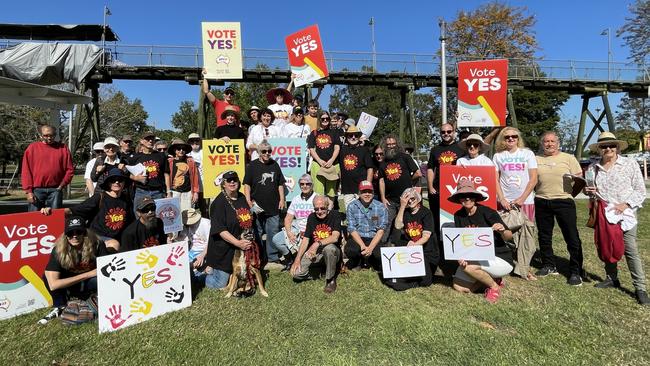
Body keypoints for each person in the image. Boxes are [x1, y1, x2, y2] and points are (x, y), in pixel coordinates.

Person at [585, 132, 649, 305]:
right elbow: (590, 191)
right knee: (607, 244)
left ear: (617, 147)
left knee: (630, 248)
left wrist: (625, 205)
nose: (608, 149)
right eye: (604, 146)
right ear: (599, 149)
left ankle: (640, 288)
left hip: (625, 213)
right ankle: (612, 278)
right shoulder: (592, 168)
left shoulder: (629, 164)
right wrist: (588, 191)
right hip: (604, 213)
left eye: (611, 145)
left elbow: (640, 190)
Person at [448, 181, 514, 303]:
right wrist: (460, 257)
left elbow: (509, 236)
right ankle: (494, 279)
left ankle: (494, 287)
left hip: (499, 257)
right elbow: (460, 242)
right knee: (459, 287)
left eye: (470, 195)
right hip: (476, 257)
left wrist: (502, 230)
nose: (467, 198)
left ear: (475, 197)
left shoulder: (487, 212)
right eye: (463, 195)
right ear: (459, 199)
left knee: (469, 267)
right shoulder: (458, 215)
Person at [534, 131, 585, 286]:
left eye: (552, 141)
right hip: (542, 200)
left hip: (564, 202)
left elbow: (579, 179)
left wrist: (570, 195)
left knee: (571, 237)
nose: (549, 144)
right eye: (546, 141)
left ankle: (576, 270)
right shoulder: (536, 159)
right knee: (544, 236)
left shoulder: (568, 158)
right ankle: (549, 265)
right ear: (542, 144)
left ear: (558, 143)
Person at [493, 127, 538, 281]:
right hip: (505, 203)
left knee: (527, 236)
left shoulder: (527, 153)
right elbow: (495, 180)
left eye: (514, 137)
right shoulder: (498, 156)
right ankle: (509, 264)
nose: (511, 139)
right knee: (508, 235)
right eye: (507, 137)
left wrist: (522, 198)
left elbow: (533, 179)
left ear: (518, 139)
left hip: (525, 202)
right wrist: (502, 199)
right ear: (502, 140)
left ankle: (524, 269)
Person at [204, 171, 256, 289]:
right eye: (229, 180)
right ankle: (202, 275)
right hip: (223, 249)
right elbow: (220, 230)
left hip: (241, 245)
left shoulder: (242, 197)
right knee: (220, 284)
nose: (232, 182)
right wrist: (238, 243)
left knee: (241, 280)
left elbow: (247, 220)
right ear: (223, 184)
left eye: (235, 179)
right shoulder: (218, 203)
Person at [41, 216, 98, 324]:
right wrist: (87, 274)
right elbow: (53, 285)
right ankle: (60, 305)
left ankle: (93, 301)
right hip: (71, 284)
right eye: (70, 233)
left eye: (79, 232)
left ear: (85, 233)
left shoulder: (97, 244)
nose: (74, 236)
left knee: (100, 277)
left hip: (90, 283)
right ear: (65, 235)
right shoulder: (58, 250)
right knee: (47, 276)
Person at [384, 188, 438, 291]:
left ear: (418, 199)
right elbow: (397, 225)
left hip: (427, 252)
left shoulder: (426, 213)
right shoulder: (405, 212)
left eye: (412, 198)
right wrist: (403, 206)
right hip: (412, 251)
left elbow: (426, 237)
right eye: (407, 199)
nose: (410, 201)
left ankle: (409, 282)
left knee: (426, 281)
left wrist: (415, 245)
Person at [68, 169, 132, 255]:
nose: (116, 182)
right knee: (114, 244)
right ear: (108, 182)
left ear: (124, 183)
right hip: (96, 236)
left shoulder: (126, 199)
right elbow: (74, 210)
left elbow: (131, 221)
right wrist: (48, 211)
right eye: (113, 180)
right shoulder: (99, 197)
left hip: (117, 237)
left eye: (120, 180)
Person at [243, 141, 286, 264]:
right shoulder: (251, 166)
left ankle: (272, 257)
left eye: (269, 151)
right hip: (257, 206)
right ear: (259, 152)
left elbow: (280, 184)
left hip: (273, 205)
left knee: (273, 232)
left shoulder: (275, 165)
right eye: (264, 151)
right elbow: (247, 185)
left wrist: (282, 199)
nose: (267, 153)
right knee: (257, 232)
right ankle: (259, 256)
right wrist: (247, 200)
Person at [290, 195, 342, 294]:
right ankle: (321, 271)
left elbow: (335, 237)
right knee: (296, 274)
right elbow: (305, 240)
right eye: (316, 209)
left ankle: (330, 279)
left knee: (329, 249)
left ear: (327, 207)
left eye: (322, 208)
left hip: (332, 251)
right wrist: (297, 259)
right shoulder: (311, 217)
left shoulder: (335, 215)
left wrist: (316, 244)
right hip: (316, 253)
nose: (319, 211)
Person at [378, 135, 421, 244]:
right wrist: (383, 198)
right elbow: (381, 181)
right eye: (388, 145)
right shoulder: (383, 162)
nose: (391, 146)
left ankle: (407, 246)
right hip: (390, 200)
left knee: (406, 225)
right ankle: (383, 248)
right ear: (385, 146)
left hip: (407, 199)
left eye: (393, 144)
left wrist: (409, 183)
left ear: (397, 145)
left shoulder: (405, 157)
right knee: (386, 225)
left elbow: (418, 173)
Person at [21, 124, 74, 211]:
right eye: (46, 135)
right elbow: (26, 171)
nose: (49, 138)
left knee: (54, 219)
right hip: (37, 190)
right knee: (34, 219)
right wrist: (29, 192)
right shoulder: (32, 148)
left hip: (55, 190)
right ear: (40, 135)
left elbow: (70, 170)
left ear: (55, 134)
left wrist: (61, 186)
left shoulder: (63, 148)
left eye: (52, 135)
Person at [272, 174, 316, 269]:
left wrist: (309, 233)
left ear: (312, 185)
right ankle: (290, 259)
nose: (304, 186)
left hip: (311, 232)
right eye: (302, 184)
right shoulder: (296, 199)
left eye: (307, 184)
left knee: (307, 259)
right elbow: (288, 218)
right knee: (276, 239)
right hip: (297, 229)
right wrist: (289, 233)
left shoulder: (317, 198)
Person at [345, 181, 388, 271]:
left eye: (369, 191)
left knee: (380, 254)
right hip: (358, 238)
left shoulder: (380, 207)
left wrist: (371, 248)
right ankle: (358, 262)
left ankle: (372, 261)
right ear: (359, 193)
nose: (367, 194)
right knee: (350, 250)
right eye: (364, 192)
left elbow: (381, 230)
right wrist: (362, 246)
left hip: (373, 237)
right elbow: (352, 229)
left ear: (373, 193)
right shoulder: (352, 206)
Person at [126, 131, 171, 213]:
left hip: (158, 192)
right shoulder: (134, 157)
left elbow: (166, 174)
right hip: (141, 192)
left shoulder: (161, 156)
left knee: (159, 217)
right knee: (140, 216)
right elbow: (125, 173)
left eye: (152, 139)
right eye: (147, 139)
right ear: (141, 141)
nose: (150, 141)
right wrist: (135, 178)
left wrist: (169, 192)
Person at [338, 125, 374, 210]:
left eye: (356, 135)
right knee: (349, 215)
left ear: (359, 137)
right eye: (350, 135)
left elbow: (370, 168)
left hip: (361, 189)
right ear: (347, 137)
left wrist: (368, 186)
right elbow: (339, 168)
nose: (353, 137)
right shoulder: (342, 150)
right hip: (347, 190)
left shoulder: (365, 150)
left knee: (364, 213)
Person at [307, 111, 341, 199]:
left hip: (332, 164)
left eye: (327, 118)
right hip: (318, 164)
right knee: (318, 191)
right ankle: (320, 210)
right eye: (323, 118)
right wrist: (319, 160)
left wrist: (331, 160)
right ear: (319, 120)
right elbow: (311, 148)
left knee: (331, 192)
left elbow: (337, 148)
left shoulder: (335, 132)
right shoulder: (314, 133)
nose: (325, 120)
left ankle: (329, 210)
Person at [167, 139, 200, 212]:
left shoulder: (190, 161)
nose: (181, 150)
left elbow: (195, 177)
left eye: (183, 149)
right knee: (174, 213)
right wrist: (167, 191)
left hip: (187, 192)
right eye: (178, 149)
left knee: (187, 213)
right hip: (174, 192)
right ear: (174, 150)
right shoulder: (169, 162)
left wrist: (195, 192)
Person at [178, 208, 211, 275]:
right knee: (180, 263)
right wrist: (172, 240)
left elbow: (211, 243)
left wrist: (202, 256)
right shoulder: (186, 226)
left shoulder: (205, 223)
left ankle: (200, 269)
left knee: (193, 264)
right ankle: (197, 270)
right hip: (192, 251)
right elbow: (181, 239)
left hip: (204, 252)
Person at [187, 133, 207, 216]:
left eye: (197, 141)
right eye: (192, 141)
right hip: (192, 187)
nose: (195, 143)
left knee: (205, 209)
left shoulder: (206, 151)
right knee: (191, 210)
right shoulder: (187, 155)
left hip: (205, 186)